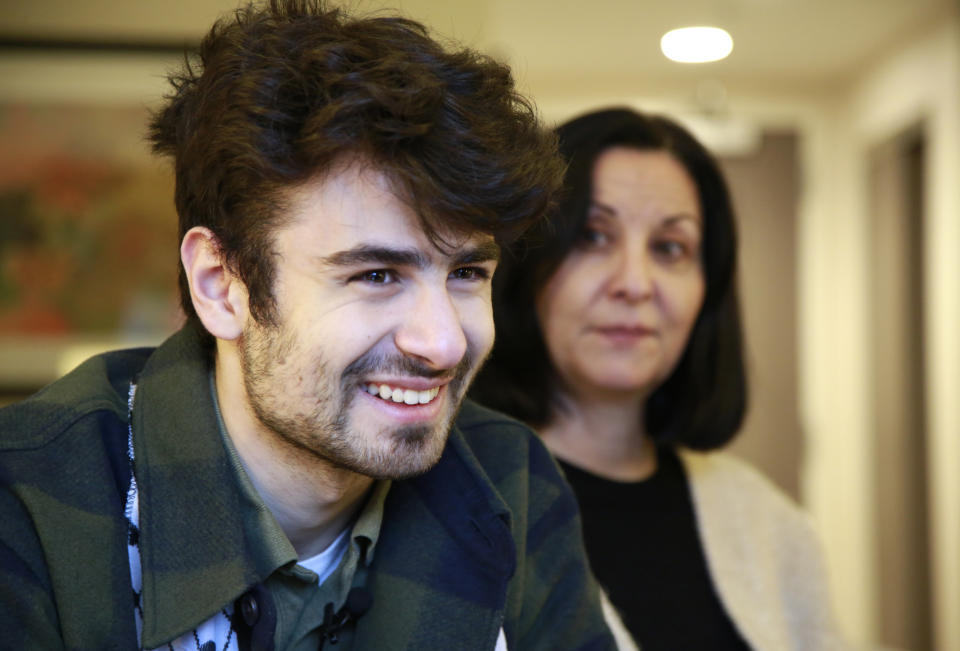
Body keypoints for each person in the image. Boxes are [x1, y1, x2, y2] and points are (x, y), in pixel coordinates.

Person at [0, 3, 616, 649]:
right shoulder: (31, 499)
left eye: (466, 274)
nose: (444, 343)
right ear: (221, 285)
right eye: (377, 274)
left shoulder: (509, 477)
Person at [471, 107, 844, 650]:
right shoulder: (458, 498)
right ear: (527, 264)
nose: (635, 284)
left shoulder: (767, 522)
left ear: (706, 293)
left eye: (670, 248)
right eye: (593, 237)